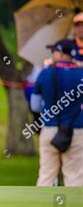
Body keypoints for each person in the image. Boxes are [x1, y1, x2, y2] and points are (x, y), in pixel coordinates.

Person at [31, 39, 83, 187]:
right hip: (77, 129)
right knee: (75, 178)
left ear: (61, 53)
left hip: (49, 128)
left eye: (54, 51)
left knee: (46, 176)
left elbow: (35, 105)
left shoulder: (46, 74)